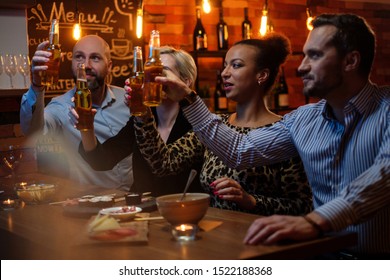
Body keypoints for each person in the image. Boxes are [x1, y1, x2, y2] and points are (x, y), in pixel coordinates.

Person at [156, 13, 390, 258]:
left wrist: (314, 221)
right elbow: (239, 150)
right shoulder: (304, 119)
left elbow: (384, 176)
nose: (301, 67)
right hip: (320, 257)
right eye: (305, 54)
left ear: (350, 61)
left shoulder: (386, 109)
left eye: (315, 55)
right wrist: (188, 97)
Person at [133, 35, 312, 215]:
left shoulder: (281, 132)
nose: (225, 73)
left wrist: (251, 201)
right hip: (213, 233)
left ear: (262, 75)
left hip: (259, 235)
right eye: (225, 65)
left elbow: (303, 206)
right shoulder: (216, 126)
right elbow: (164, 163)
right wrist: (142, 114)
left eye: (236, 65)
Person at [72, 46, 202, 196]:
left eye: (161, 71)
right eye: (150, 73)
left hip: (182, 211)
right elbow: (101, 160)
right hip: (142, 212)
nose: (153, 78)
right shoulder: (141, 118)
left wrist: (142, 114)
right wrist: (86, 125)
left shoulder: (197, 123)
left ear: (185, 81)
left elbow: (163, 165)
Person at [20, 35, 133, 189]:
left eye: (95, 58)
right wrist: (36, 85)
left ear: (109, 66)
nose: (86, 65)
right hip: (91, 203)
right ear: (72, 63)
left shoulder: (128, 99)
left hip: (135, 201)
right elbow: (33, 130)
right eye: (79, 57)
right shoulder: (61, 106)